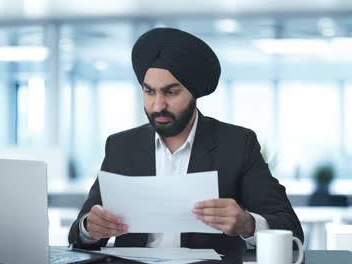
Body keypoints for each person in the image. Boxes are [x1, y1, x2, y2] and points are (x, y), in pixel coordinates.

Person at [68, 28, 303, 257]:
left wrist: (247, 224)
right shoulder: (121, 146)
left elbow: (291, 230)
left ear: (193, 92)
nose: (158, 105)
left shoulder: (237, 144)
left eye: (170, 93)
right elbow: (79, 231)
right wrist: (89, 228)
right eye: (149, 92)